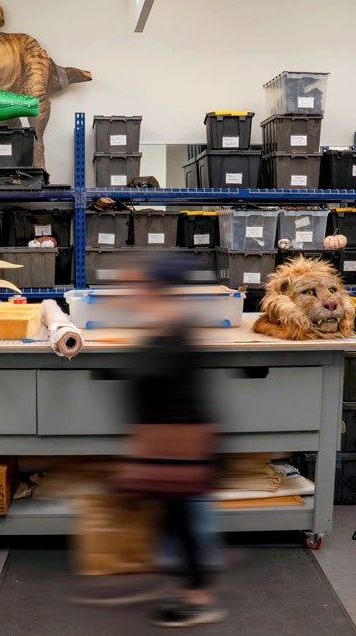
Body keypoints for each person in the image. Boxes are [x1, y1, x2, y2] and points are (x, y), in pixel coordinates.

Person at [119, 253, 226, 628]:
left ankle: (198, 597)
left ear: (155, 288)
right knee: (174, 517)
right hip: (169, 438)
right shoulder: (166, 323)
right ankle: (190, 589)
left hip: (180, 441)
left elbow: (154, 379)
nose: (131, 293)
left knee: (182, 518)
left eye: (139, 286)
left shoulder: (172, 328)